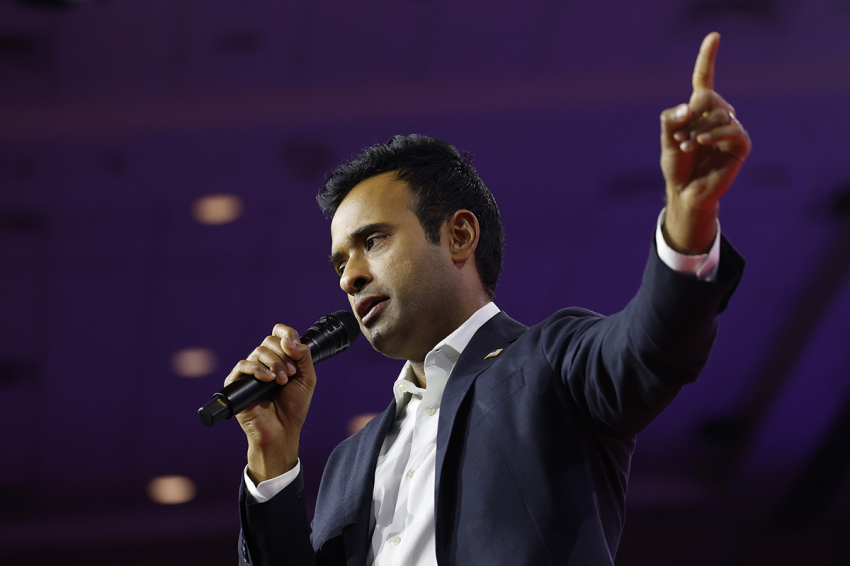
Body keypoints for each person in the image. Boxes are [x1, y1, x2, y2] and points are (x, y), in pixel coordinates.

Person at [226, 32, 750, 565]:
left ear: (459, 236)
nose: (349, 278)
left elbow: (651, 347)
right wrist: (272, 456)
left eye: (373, 241)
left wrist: (689, 223)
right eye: (340, 263)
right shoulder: (347, 463)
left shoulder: (550, 362)